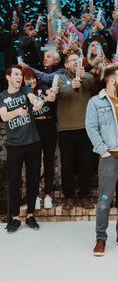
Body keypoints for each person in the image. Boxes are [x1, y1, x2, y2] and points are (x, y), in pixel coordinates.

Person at [85, 65, 118, 257]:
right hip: (111, 157)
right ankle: (101, 238)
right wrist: (102, 151)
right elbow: (91, 127)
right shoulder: (95, 102)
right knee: (104, 200)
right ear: (111, 80)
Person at [0, 65, 43, 233]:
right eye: (16, 74)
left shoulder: (25, 90)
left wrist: (38, 103)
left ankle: (31, 215)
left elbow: (33, 100)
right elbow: (3, 116)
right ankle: (15, 218)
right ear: (8, 77)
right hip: (14, 145)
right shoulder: (2, 96)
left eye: (21, 74)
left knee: (33, 180)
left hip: (33, 142)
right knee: (14, 181)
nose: (19, 77)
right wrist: (18, 111)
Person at [57, 53, 96, 210]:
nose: (76, 62)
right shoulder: (60, 78)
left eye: (78, 60)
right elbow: (62, 92)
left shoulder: (86, 75)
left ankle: (85, 196)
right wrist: (73, 84)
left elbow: (91, 83)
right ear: (66, 64)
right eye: (73, 60)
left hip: (85, 128)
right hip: (65, 129)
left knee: (86, 163)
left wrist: (82, 78)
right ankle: (69, 196)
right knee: (66, 165)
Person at [22, 67, 57, 209]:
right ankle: (34, 196)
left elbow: (51, 95)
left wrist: (51, 94)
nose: (31, 81)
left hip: (49, 127)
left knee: (49, 162)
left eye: (33, 78)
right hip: (34, 129)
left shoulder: (42, 87)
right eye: (28, 79)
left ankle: (48, 195)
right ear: (24, 81)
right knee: (34, 164)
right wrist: (42, 99)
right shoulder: (24, 92)